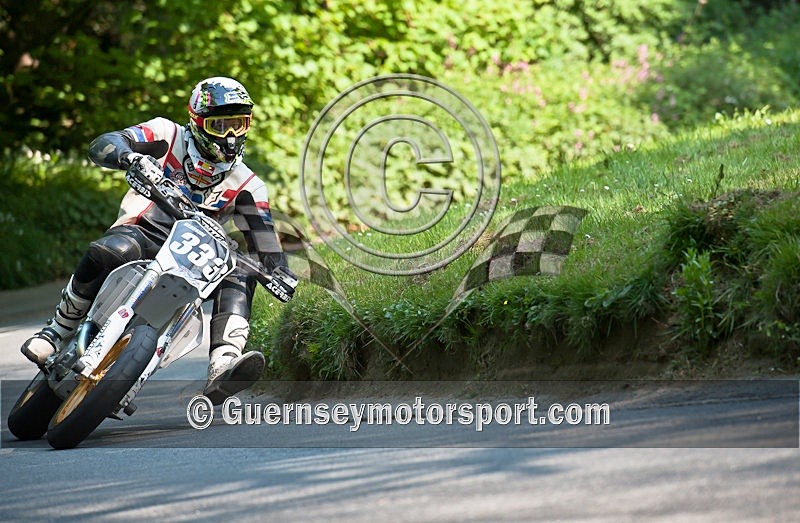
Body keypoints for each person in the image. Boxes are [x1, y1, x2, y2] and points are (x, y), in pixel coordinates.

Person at [21, 76, 295, 403]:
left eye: (238, 123)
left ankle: (224, 362)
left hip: (197, 261)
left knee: (242, 271)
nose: (231, 136)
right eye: (220, 124)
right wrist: (128, 156)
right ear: (198, 122)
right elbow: (105, 142)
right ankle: (56, 331)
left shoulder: (248, 183)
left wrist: (278, 271)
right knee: (107, 252)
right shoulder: (167, 135)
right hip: (146, 232)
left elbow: (265, 242)